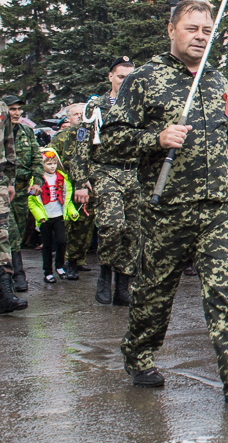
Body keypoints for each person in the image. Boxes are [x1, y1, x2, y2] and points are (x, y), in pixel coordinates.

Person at [100, 0, 228, 402]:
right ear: (171, 31)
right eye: (191, 28)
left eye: (206, 30)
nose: (200, 36)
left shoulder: (216, 80)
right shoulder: (144, 79)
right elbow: (109, 143)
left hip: (217, 206)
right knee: (154, 293)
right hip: (167, 209)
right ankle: (138, 352)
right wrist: (155, 138)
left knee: (226, 291)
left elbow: (223, 143)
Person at [70, 56, 139, 306]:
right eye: (121, 77)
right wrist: (79, 182)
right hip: (105, 171)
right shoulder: (95, 107)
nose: (125, 82)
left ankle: (123, 285)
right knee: (113, 226)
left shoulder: (139, 105)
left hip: (134, 175)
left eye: (130, 78)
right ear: (111, 77)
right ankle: (105, 272)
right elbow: (81, 147)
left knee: (133, 233)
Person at [1, 94, 42, 294]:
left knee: (19, 229)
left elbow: (36, 158)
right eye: (12, 109)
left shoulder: (27, 132)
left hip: (22, 189)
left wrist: (38, 181)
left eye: (19, 109)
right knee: (11, 232)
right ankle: (17, 276)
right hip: (4, 189)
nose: (16, 113)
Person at [48, 103, 89, 281]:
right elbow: (52, 157)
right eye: (75, 114)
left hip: (87, 185)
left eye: (82, 114)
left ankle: (79, 258)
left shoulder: (90, 134)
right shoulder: (62, 136)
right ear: (68, 118)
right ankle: (66, 260)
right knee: (67, 224)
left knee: (85, 223)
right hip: (66, 185)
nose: (79, 117)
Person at [27, 149, 79, 284]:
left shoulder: (62, 178)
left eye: (54, 163)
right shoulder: (36, 180)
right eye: (49, 164)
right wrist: (39, 217)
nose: (52, 166)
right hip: (45, 217)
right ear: (42, 165)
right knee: (47, 245)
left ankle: (60, 266)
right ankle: (48, 272)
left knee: (62, 241)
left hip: (59, 215)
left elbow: (67, 199)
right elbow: (32, 202)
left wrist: (72, 211)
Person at [0, 99, 27, 313]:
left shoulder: (2, 108)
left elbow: (8, 142)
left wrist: (9, 179)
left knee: (2, 235)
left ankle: (5, 294)